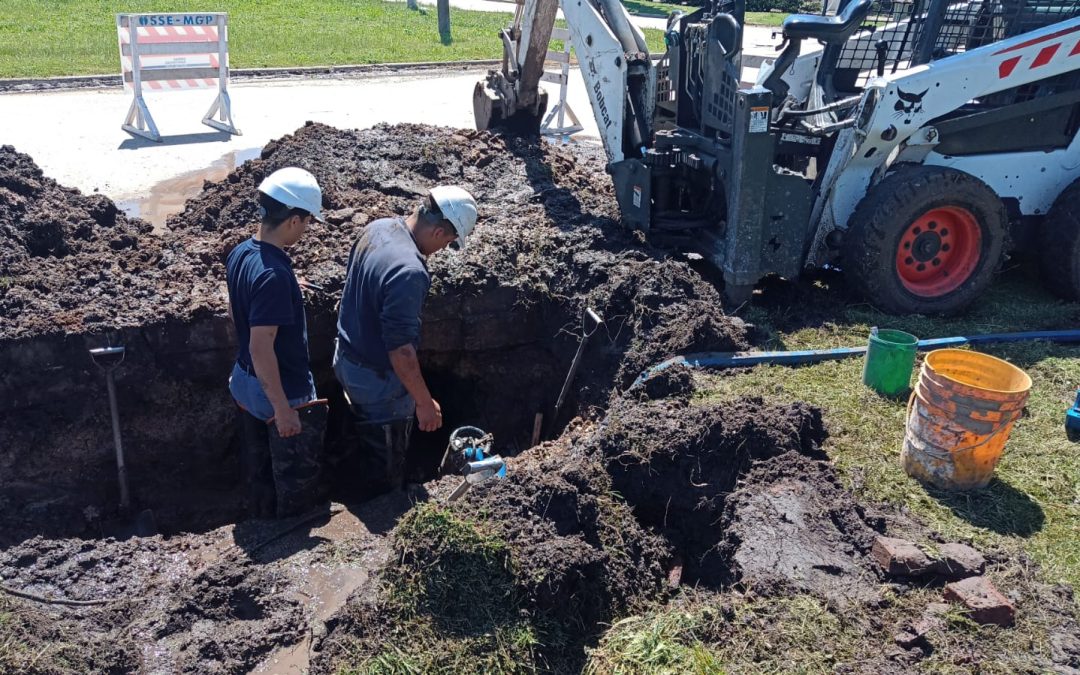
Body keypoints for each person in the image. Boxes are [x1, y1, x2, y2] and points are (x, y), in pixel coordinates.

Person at [334, 185, 478, 495]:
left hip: (346, 357)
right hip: (376, 380)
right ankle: (382, 501)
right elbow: (400, 352)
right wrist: (424, 404)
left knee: (363, 429)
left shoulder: (378, 227)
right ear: (439, 232)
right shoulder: (410, 272)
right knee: (385, 454)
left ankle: (357, 462)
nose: (444, 250)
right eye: (450, 243)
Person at [226, 167, 328, 518]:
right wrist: (284, 409)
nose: (307, 228)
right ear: (293, 220)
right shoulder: (273, 276)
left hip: (244, 381)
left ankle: (262, 513)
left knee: (260, 460)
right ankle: (292, 527)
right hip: (279, 389)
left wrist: (284, 293)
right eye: (307, 221)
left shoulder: (243, 253)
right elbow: (261, 347)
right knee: (295, 471)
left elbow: (239, 309)